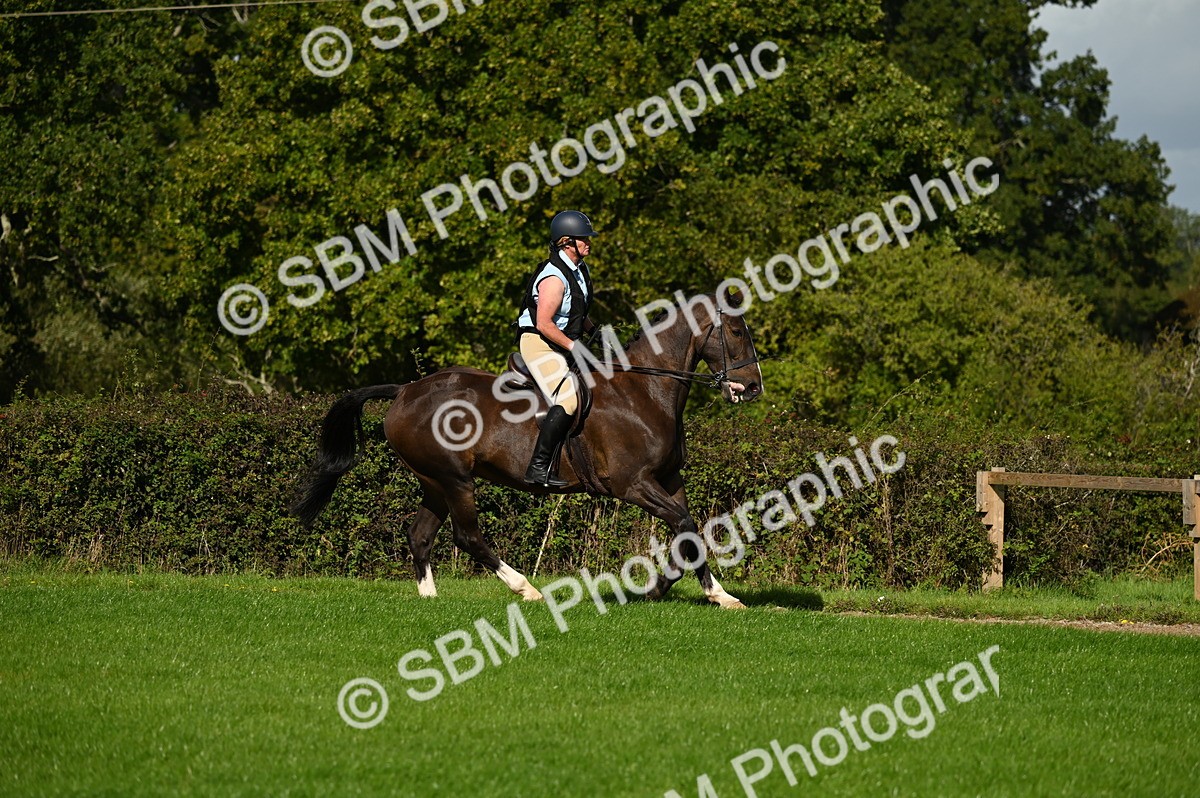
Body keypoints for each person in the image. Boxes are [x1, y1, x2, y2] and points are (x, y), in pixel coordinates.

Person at [515, 210, 599, 487]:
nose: (589, 242)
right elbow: (544, 324)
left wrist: (596, 332)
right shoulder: (554, 277)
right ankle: (537, 469)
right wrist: (576, 347)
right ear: (567, 242)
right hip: (540, 343)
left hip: (561, 341)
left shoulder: (579, 270)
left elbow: (576, 312)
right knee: (568, 400)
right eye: (583, 238)